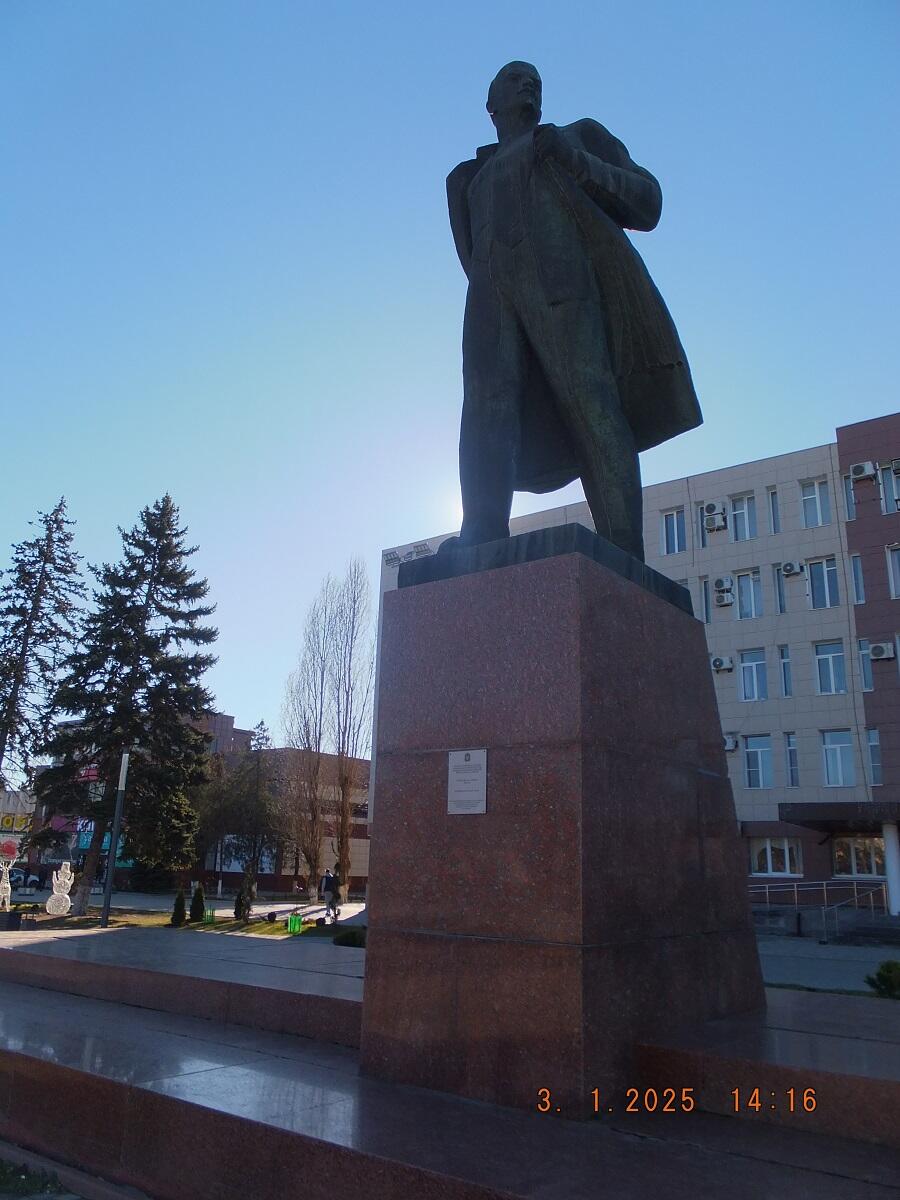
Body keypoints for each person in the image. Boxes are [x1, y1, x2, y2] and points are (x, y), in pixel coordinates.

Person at [446, 62, 701, 561]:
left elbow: (647, 202)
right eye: (515, 76)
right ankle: (481, 527)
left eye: (535, 79)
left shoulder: (577, 136)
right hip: (490, 298)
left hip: (564, 284)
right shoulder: (465, 180)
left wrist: (576, 162)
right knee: (482, 405)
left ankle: (622, 546)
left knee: (590, 398)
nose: (529, 82)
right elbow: (469, 255)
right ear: (491, 104)